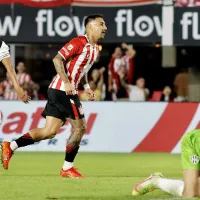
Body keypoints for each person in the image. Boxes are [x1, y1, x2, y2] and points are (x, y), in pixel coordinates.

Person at [1, 14, 107, 178]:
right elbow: (57, 60)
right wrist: (66, 81)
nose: (105, 28)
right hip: (62, 90)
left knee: (49, 132)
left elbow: (83, 71)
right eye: (101, 24)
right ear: (90, 26)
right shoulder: (78, 42)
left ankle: (10, 146)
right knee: (80, 127)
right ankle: (67, 168)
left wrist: (86, 86)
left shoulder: (94, 49)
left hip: (62, 90)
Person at [132, 129, 200, 198]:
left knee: (194, 191)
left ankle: (157, 181)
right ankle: (156, 181)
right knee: (190, 194)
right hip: (193, 142)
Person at [0, 39, 30, 103]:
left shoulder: (26, 76)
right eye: (19, 66)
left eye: (22, 66)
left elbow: (10, 69)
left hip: (14, 99)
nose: (20, 67)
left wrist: (18, 88)